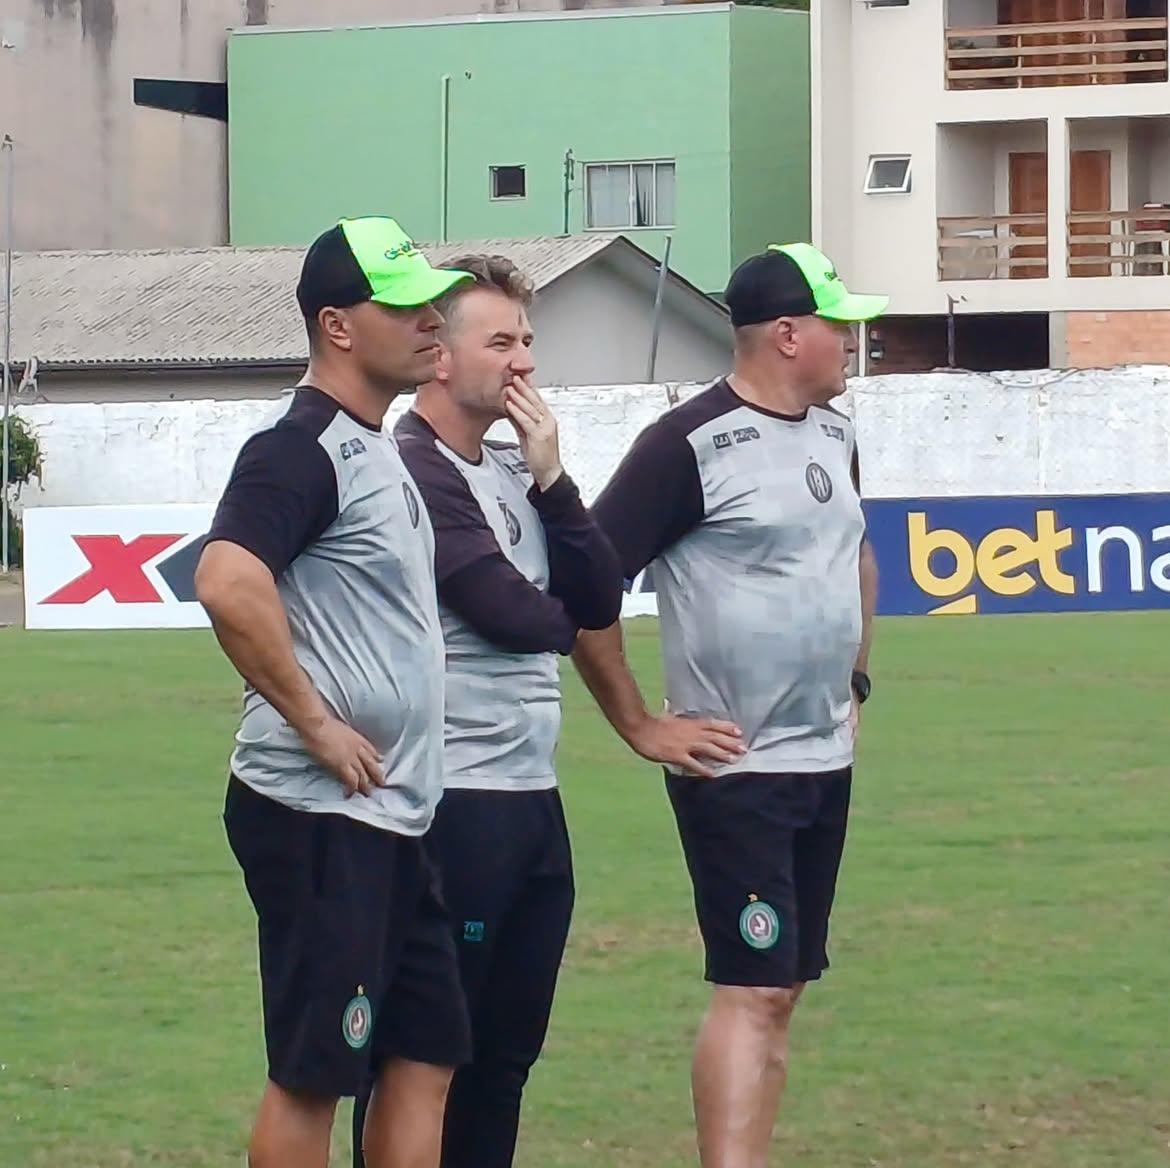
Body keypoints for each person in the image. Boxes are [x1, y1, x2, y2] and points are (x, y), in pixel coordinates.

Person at [572, 242, 885, 1168]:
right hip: (734, 765)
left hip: (825, 758)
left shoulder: (837, 435)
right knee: (752, 987)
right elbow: (587, 586)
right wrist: (639, 723)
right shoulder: (686, 444)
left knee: (783, 988)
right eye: (838, 324)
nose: (852, 340)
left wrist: (856, 679)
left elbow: (857, 554)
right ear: (786, 334)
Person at [195, 216, 475, 1168]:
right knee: (316, 1073)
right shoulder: (300, 446)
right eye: (403, 306)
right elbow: (227, 579)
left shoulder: (376, 447)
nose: (431, 320)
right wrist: (315, 722)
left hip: (393, 816)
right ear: (338, 326)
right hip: (318, 814)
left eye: (431, 303)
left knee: (427, 1055)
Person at [352, 255, 624, 1168]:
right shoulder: (411, 470)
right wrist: (565, 616)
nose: (525, 363)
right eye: (502, 342)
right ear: (439, 354)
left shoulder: (513, 469)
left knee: (505, 1060)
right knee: (424, 1059)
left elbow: (601, 593)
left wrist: (553, 480)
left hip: (532, 795)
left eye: (528, 341)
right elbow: (508, 612)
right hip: (454, 800)